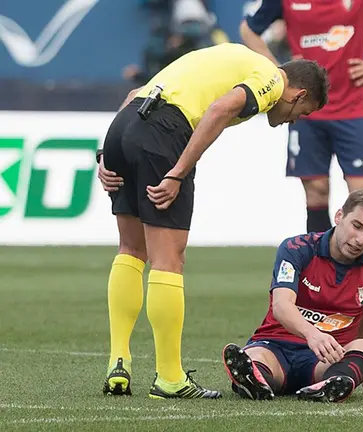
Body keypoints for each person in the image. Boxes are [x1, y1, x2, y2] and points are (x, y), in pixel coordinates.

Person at [96, 42, 330, 400]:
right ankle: (170, 378)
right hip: (163, 133)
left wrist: (105, 152)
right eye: (303, 111)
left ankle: (118, 362)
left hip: (125, 126)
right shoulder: (271, 77)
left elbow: (133, 93)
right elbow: (221, 109)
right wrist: (177, 172)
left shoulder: (233, 58)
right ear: (298, 93)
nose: (295, 120)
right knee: (168, 260)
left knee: (131, 250)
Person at [239, 0, 363, 320]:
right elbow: (248, 29)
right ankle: (319, 286)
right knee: (316, 192)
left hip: (351, 111)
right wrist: (278, 72)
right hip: (305, 112)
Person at [221, 189, 363, 402]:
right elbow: (281, 305)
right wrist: (312, 334)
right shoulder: (296, 249)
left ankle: (329, 385)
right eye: (357, 226)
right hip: (275, 348)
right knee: (254, 357)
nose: (361, 239)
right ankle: (256, 380)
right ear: (339, 216)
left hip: (325, 361)